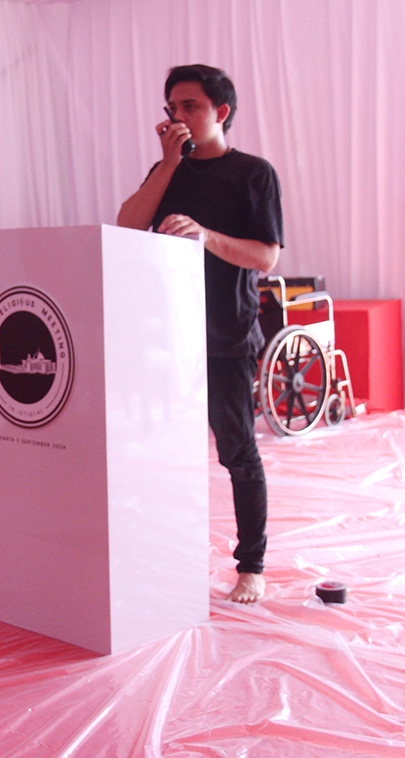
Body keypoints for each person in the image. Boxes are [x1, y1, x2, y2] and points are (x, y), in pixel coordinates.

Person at [116, 64, 282, 604]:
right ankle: (163, 554)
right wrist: (168, 166)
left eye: (191, 107)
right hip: (164, 339)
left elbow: (266, 256)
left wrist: (206, 236)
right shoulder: (168, 171)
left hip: (227, 337)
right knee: (157, 452)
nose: (179, 117)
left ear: (221, 113)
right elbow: (125, 225)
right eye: (172, 109)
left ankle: (250, 565)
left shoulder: (254, 174)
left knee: (237, 453)